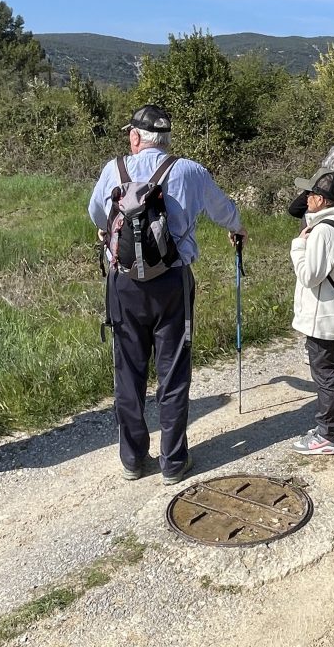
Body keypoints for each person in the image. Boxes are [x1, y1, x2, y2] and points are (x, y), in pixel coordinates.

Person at [89, 105, 246, 484]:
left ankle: (132, 459)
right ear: (167, 139)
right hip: (172, 282)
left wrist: (109, 231)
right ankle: (173, 462)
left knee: (128, 372)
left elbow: (96, 213)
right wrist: (237, 228)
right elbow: (225, 211)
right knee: (172, 372)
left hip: (123, 284)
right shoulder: (190, 171)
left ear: (135, 137)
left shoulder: (113, 170)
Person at [288, 169, 334, 455]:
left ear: (323, 200)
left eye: (312, 194)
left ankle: (326, 435)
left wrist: (298, 246)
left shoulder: (323, 231)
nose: (307, 198)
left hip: (323, 317)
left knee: (325, 375)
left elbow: (309, 276)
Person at [288, 144, 334, 366]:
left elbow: (293, 210)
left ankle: (315, 347)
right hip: (331, 245)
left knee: (315, 296)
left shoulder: (319, 186)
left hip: (312, 241)